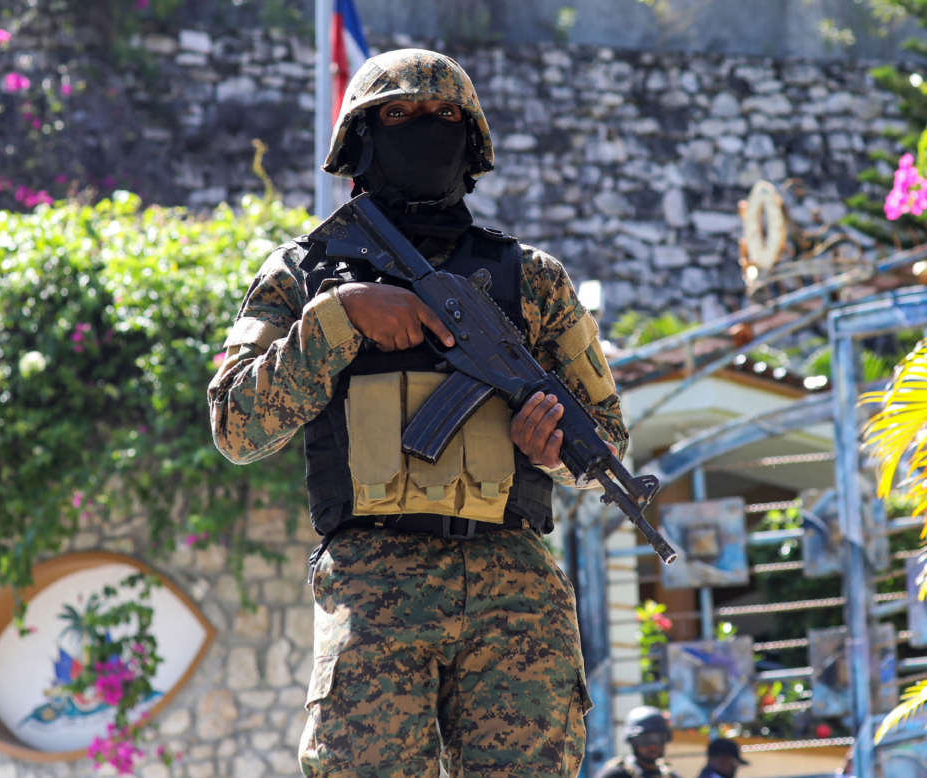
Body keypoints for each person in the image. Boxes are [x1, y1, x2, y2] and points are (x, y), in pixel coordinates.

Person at [208, 48, 628, 777]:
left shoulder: (532, 280)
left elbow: (607, 448)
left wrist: (553, 447)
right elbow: (237, 427)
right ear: (361, 141)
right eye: (399, 115)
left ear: (470, 145)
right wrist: (338, 319)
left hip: (515, 589)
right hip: (375, 582)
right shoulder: (304, 274)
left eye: (443, 118)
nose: (424, 130)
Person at [595, 705, 681, 778]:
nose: (652, 746)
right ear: (633, 742)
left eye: (658, 739)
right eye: (645, 740)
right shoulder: (615, 774)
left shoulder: (669, 774)